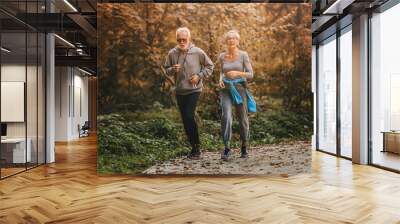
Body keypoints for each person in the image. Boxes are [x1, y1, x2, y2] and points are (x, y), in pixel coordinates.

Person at [164, 27, 214, 159]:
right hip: (180, 90)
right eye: (179, 39)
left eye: (184, 39)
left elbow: (210, 66)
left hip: (194, 90)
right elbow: (166, 70)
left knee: (188, 115)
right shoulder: (172, 53)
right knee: (186, 120)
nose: (181, 42)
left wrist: (199, 76)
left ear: (189, 39)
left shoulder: (197, 52)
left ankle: (196, 148)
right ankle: (193, 147)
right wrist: (172, 69)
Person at [218, 30, 254, 161]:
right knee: (226, 115)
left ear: (238, 41)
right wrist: (220, 80)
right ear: (226, 41)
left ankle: (244, 146)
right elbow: (221, 72)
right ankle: (227, 147)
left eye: (234, 38)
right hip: (226, 89)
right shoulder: (222, 56)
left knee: (242, 117)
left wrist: (237, 73)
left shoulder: (243, 55)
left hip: (239, 88)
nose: (231, 40)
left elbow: (250, 74)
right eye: (229, 39)